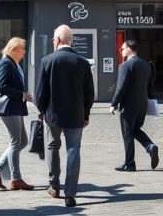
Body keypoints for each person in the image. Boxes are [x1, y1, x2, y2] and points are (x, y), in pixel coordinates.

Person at [34, 25, 95, 208]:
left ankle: (54, 185)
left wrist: (42, 110)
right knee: (74, 150)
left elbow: (40, 94)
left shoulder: (47, 61)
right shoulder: (83, 63)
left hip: (52, 115)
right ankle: (70, 194)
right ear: (71, 41)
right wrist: (86, 114)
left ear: (58, 40)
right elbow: (89, 93)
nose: (53, 41)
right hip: (76, 115)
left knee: (52, 146)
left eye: (54, 39)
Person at [0, 37, 36, 191]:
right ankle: (16, 179)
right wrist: (21, 94)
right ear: (14, 49)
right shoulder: (6, 63)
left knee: (22, 141)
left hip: (14, 108)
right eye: (22, 49)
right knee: (16, 142)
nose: (24, 52)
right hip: (9, 108)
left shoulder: (12, 63)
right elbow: (1, 87)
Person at [110, 39, 159, 172]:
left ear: (129, 49)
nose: (121, 51)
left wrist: (113, 104)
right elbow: (150, 85)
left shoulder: (126, 66)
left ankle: (130, 164)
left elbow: (121, 87)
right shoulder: (145, 65)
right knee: (135, 130)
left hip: (128, 105)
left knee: (127, 134)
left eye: (122, 49)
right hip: (142, 104)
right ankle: (150, 146)